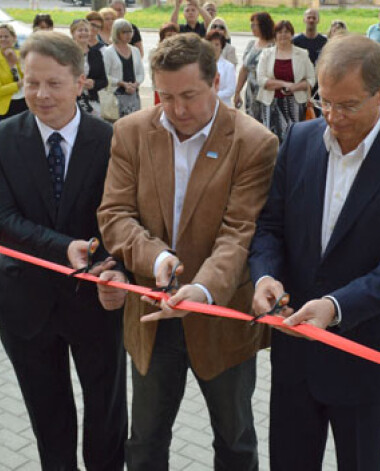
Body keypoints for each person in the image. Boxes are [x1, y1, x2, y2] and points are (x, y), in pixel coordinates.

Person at [249, 34, 380, 471]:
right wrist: (264, 276)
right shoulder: (298, 139)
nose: (333, 117)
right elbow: (271, 227)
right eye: (325, 100)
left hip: (365, 358)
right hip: (296, 354)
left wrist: (335, 307)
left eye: (348, 105)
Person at [96, 33, 279, 470]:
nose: (177, 110)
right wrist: (157, 260)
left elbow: (239, 233)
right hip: (151, 315)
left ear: (216, 81)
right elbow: (115, 214)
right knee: (144, 442)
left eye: (190, 96)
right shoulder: (131, 132)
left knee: (235, 442)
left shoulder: (255, 142)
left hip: (222, 317)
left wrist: (202, 290)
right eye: (166, 96)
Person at [0, 31, 126, 470]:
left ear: (81, 81)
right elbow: (4, 221)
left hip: (95, 301)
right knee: (48, 418)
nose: (40, 94)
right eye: (31, 82)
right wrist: (63, 247)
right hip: (24, 305)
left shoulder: (113, 140)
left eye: (53, 83)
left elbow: (125, 217)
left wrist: (120, 271)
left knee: (107, 415)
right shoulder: (3, 138)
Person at [256, 20, 315, 142]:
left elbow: (311, 79)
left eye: (286, 32)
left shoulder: (302, 54)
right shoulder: (266, 54)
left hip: (296, 105)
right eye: (279, 32)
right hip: (271, 104)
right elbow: (261, 79)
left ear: (292, 34)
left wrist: (295, 87)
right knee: (273, 140)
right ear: (275, 35)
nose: (283, 35)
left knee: (295, 140)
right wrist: (284, 84)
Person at [234, 12, 274, 118]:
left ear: (263, 26)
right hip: (251, 95)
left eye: (254, 25)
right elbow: (244, 69)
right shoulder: (251, 44)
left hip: (267, 94)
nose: (251, 28)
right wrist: (237, 92)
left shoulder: (274, 45)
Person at [103, 19, 144, 119]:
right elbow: (105, 75)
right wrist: (122, 83)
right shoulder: (109, 52)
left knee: (134, 124)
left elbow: (140, 73)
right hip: (116, 96)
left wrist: (135, 84)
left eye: (130, 31)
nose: (128, 35)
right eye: (124, 32)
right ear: (117, 33)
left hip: (133, 95)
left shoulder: (135, 50)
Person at [293, 8, 327, 118]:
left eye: (314, 17)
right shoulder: (296, 41)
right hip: (299, 85)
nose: (311, 20)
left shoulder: (324, 42)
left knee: (315, 117)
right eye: (309, 17)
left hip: (318, 87)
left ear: (318, 20)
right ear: (304, 19)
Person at [70, 19, 108, 117]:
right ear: (73, 33)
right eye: (80, 30)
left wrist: (94, 83)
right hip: (71, 101)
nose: (84, 33)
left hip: (92, 102)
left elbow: (104, 80)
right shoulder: (66, 54)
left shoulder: (97, 54)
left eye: (86, 30)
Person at [0, 25, 27, 121]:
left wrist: (17, 62)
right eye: (0, 37)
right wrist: (18, 85)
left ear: (14, 38)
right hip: (6, 108)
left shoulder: (21, 54)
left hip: (25, 103)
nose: (3, 39)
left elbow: (30, 75)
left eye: (6, 36)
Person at [206, 29, 235, 106]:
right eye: (211, 44)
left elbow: (230, 90)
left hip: (223, 105)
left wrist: (212, 96)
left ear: (221, 46)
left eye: (217, 44)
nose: (213, 47)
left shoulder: (229, 67)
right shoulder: (201, 65)